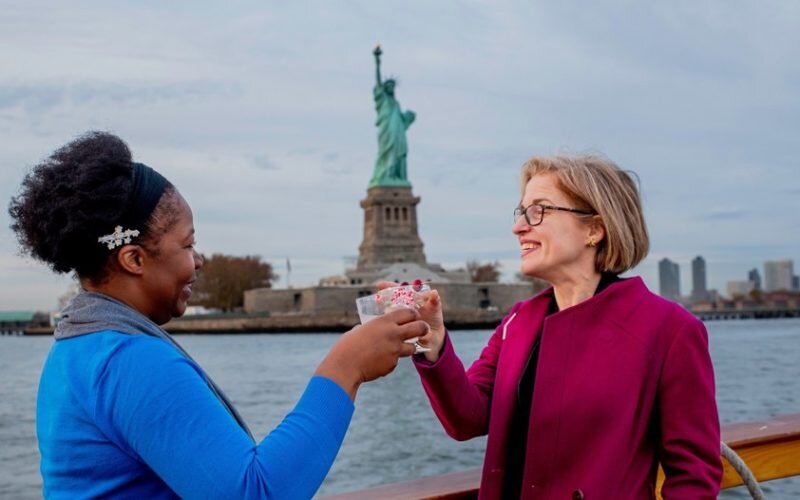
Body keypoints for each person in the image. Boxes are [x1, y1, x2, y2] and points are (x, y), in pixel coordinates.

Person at [8, 132, 429, 499]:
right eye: (187, 246)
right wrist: (347, 366)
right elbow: (257, 492)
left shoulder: (78, 346)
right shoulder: (128, 360)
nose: (200, 259)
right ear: (134, 258)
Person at [412, 155, 722, 499]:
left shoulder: (669, 330)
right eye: (521, 212)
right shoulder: (518, 322)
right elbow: (467, 419)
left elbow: (694, 476)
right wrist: (434, 342)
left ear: (594, 229)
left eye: (539, 211)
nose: (519, 227)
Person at [370, 45, 415, 187]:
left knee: (397, 152)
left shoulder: (396, 103)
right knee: (385, 152)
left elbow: (403, 120)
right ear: (385, 88)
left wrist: (409, 117)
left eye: (393, 86)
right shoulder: (382, 98)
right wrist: (377, 62)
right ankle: (386, 175)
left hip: (398, 132)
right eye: (388, 85)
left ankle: (396, 177)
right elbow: (377, 81)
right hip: (386, 130)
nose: (391, 87)